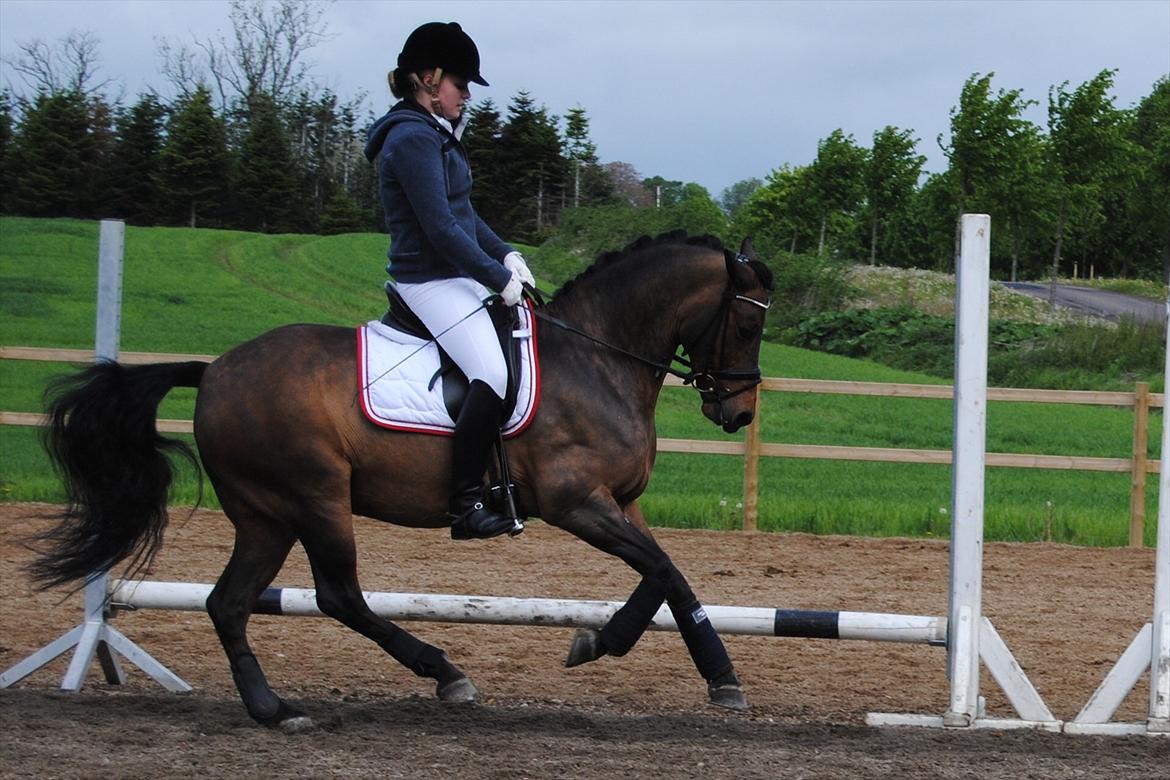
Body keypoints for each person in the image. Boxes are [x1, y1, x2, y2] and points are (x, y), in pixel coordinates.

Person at [364, 21, 535, 541]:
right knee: (492, 373)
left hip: (452, 277)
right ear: (429, 78)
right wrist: (492, 277)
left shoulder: (436, 135)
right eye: (460, 84)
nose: (466, 95)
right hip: (428, 282)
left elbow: (465, 214)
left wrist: (505, 255)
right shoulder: (413, 138)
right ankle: (464, 502)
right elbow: (440, 229)